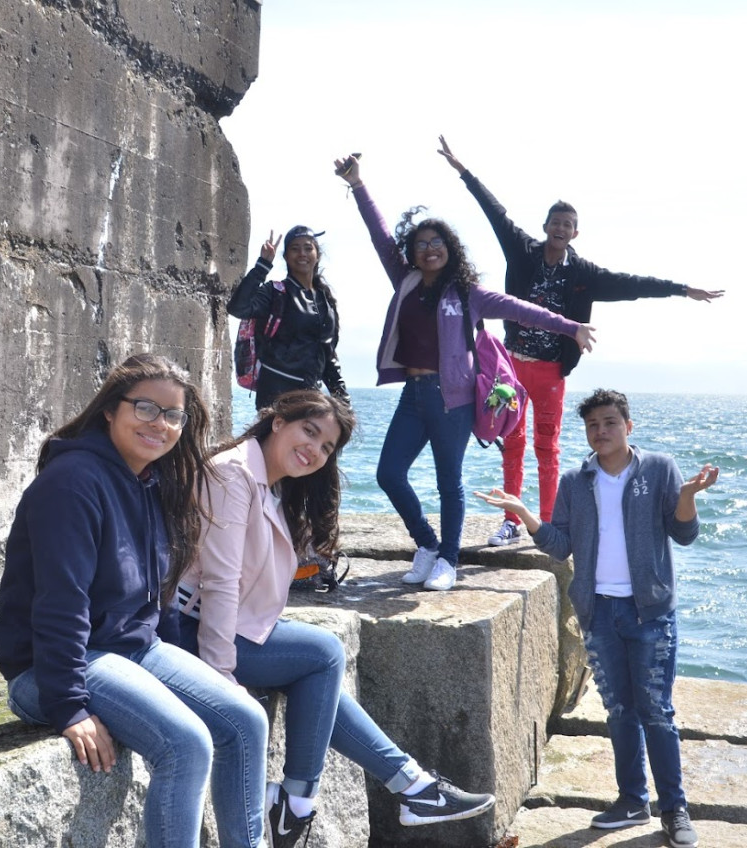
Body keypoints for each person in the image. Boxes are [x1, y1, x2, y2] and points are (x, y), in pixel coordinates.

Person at [173, 390, 496, 848]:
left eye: (327, 447)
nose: (316, 450)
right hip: (192, 629)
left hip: (227, 622)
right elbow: (220, 582)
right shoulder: (233, 473)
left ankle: (407, 786)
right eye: (310, 431)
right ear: (278, 420)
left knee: (317, 666)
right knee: (323, 654)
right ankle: (325, 800)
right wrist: (222, 677)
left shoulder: (272, 480)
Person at [0, 353, 272, 848]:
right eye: (145, 408)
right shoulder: (72, 482)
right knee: (186, 745)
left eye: (172, 415)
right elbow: (61, 603)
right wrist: (70, 708)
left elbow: (154, 599)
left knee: (246, 721)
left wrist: (181, 668)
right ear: (109, 410)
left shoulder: (149, 482)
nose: (159, 425)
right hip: (54, 667)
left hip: (131, 651)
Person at [437, 136, 724, 549]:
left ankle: (551, 524)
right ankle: (510, 520)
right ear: (545, 227)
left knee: (547, 448)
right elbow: (494, 212)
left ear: (575, 233)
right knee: (512, 443)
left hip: (551, 370)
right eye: (555, 222)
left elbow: (633, 284)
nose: (560, 229)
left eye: (567, 224)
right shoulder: (522, 252)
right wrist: (463, 170)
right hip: (512, 367)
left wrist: (681, 289)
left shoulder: (584, 273)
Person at [334, 152, 597, 591]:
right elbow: (380, 235)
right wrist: (358, 185)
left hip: (452, 399)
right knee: (388, 474)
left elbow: (523, 310)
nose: (429, 249)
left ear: (449, 248)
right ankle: (427, 544)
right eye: (421, 244)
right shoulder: (407, 282)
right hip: (413, 395)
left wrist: (571, 328)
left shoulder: (468, 292)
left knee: (448, 483)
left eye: (437, 242)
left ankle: (449, 561)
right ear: (412, 253)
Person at [474, 388, 718, 848]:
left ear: (629, 427)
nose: (600, 432)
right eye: (592, 426)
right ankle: (631, 801)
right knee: (619, 710)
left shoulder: (659, 469)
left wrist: (687, 496)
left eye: (609, 423)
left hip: (649, 612)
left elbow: (685, 533)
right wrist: (523, 512)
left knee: (657, 712)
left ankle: (674, 809)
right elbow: (559, 545)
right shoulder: (574, 481)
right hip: (598, 612)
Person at [229, 225, 350, 410]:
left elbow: (328, 355)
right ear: (285, 256)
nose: (302, 253)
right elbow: (238, 308)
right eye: (295, 248)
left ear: (317, 254)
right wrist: (262, 265)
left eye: (308, 248)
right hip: (275, 395)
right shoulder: (275, 292)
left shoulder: (326, 302)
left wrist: (343, 402)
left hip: (310, 396)